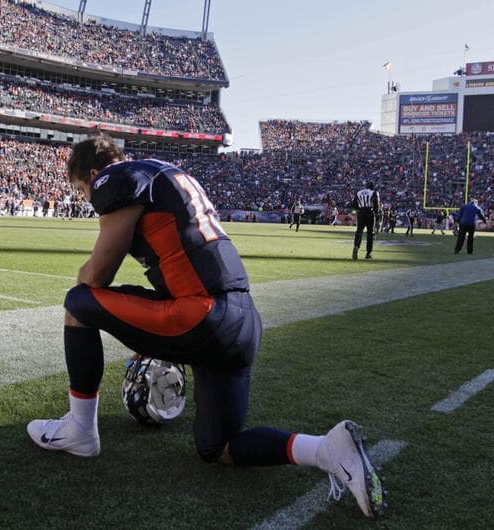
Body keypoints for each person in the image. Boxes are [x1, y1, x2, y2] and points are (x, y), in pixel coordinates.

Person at [25, 135, 387, 519]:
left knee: (78, 301)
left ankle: (81, 431)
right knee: (218, 446)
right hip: (242, 320)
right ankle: (327, 450)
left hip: (201, 315)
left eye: (82, 190)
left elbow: (98, 274)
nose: (87, 198)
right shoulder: (167, 172)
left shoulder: (115, 178)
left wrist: (88, 277)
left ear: (94, 173)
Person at [351, 181, 381, 260]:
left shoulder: (359, 192)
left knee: (359, 231)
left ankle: (356, 246)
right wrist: (377, 217)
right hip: (369, 212)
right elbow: (376, 205)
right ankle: (368, 253)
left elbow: (353, 205)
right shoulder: (374, 192)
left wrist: (358, 212)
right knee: (370, 233)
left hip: (361, 212)